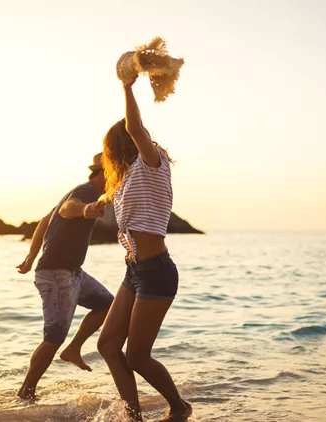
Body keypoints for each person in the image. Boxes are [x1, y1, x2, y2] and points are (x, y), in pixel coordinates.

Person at [96, 74, 192, 421]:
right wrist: (99, 203)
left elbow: (136, 128)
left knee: (137, 356)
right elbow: (117, 196)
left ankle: (180, 408)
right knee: (107, 345)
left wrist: (126, 87)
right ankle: (132, 415)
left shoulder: (153, 163)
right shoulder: (127, 177)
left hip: (156, 272)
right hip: (134, 271)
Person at [15, 153, 114, 400]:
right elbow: (69, 210)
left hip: (72, 272)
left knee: (107, 305)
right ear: (104, 173)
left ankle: (74, 348)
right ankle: (26, 392)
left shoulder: (79, 192)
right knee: (54, 336)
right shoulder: (87, 191)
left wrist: (30, 257)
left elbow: (45, 221)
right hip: (56, 274)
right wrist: (86, 209)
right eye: (117, 173)